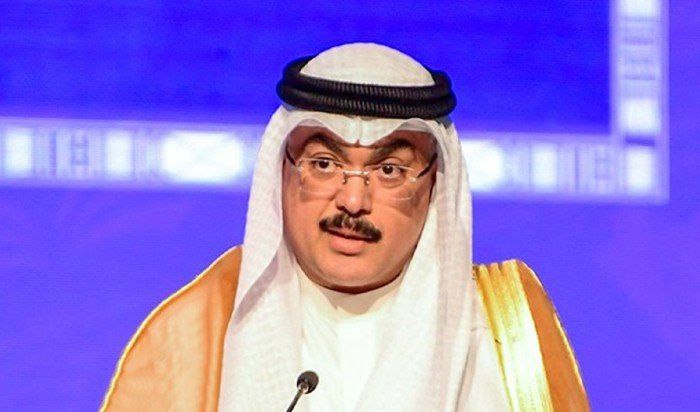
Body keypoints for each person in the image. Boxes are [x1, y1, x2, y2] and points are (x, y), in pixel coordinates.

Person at [101, 43, 589, 411]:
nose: (353, 201)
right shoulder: (195, 334)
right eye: (323, 164)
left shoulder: (506, 336)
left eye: (389, 171)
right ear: (281, 170)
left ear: (436, 185)